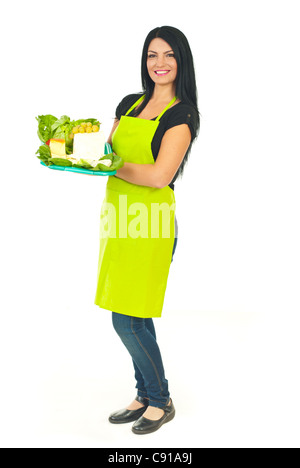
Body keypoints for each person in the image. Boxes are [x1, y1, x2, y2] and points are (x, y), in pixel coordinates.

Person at [94, 25, 200, 435]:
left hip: (152, 224)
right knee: (134, 314)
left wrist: (111, 165)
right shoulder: (128, 103)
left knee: (128, 320)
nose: (160, 63)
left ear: (181, 61)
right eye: (152, 55)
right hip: (118, 219)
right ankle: (143, 394)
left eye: (169, 55)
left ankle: (161, 399)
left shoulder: (182, 114)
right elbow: (106, 151)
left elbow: (159, 176)